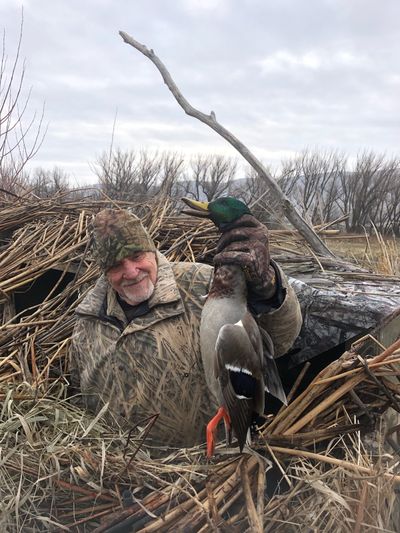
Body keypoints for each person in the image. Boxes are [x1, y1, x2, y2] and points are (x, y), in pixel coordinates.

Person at [69, 207, 302, 448]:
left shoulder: (205, 286)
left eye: (137, 256)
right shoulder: (88, 318)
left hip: (204, 473)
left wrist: (268, 290)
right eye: (116, 265)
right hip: (118, 473)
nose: (130, 272)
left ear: (152, 250)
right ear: (104, 271)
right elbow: (78, 394)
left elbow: (282, 338)